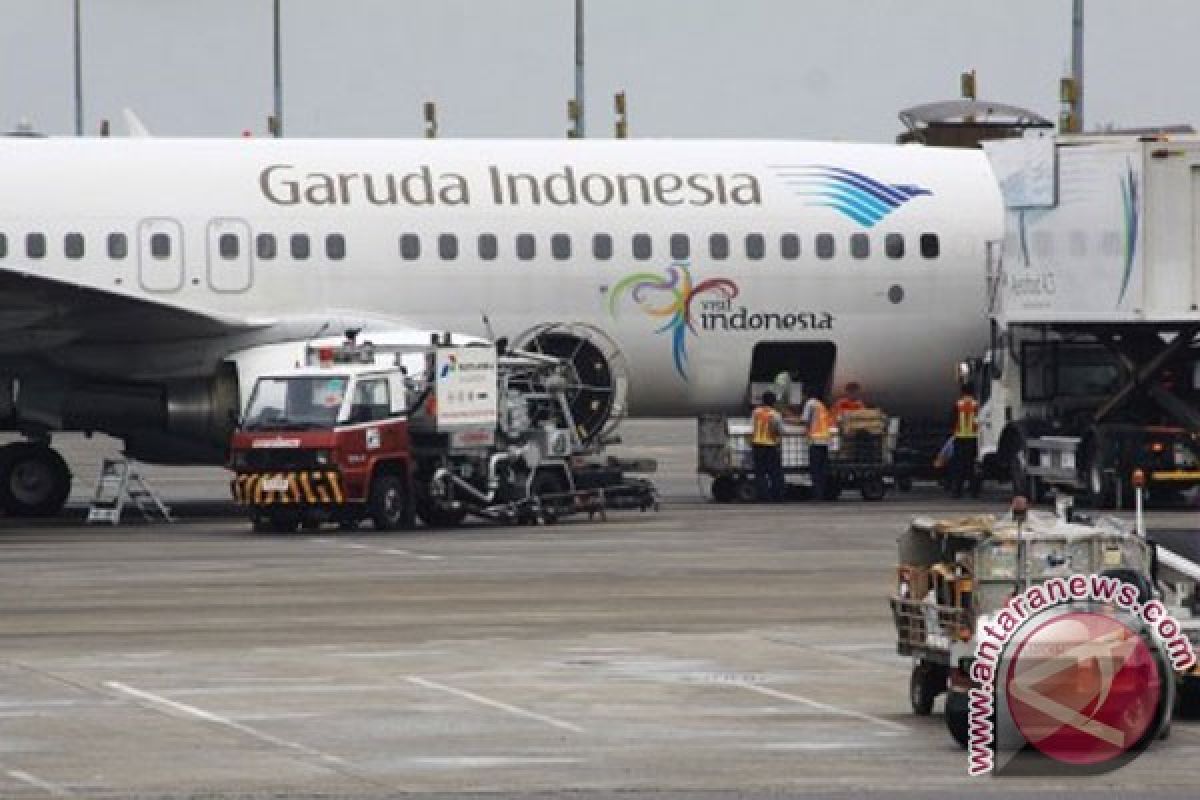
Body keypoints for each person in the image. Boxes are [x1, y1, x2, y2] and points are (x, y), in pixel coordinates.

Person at [751, 390, 786, 501]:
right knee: (775, 473)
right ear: (774, 402)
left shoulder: (756, 412)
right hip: (770, 445)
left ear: (763, 401)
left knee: (760, 473)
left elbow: (751, 426)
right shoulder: (775, 414)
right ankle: (778, 496)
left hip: (757, 444)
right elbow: (781, 430)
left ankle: (763, 496)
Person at [801, 389, 833, 501]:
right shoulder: (821, 405)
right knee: (822, 470)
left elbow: (805, 420)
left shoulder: (810, 403)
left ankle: (817, 495)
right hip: (825, 440)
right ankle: (822, 493)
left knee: (815, 470)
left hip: (815, 440)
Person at [949, 385, 980, 498]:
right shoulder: (976, 405)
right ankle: (974, 491)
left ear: (962, 392)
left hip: (960, 438)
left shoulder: (958, 404)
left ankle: (957, 491)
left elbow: (952, 419)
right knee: (971, 466)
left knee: (959, 466)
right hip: (973, 438)